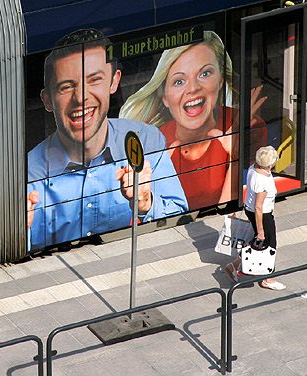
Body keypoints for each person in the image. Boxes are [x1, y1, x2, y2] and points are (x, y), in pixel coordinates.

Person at [27, 29, 188, 250]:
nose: (81, 97)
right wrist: (18, 234)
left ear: (114, 82)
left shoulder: (144, 140)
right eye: (66, 86)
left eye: (94, 80)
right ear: (47, 100)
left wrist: (145, 202)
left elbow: (180, 216)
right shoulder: (27, 173)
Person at [119, 31, 266, 210]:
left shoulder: (247, 124)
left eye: (204, 73)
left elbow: (230, 211)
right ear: (164, 97)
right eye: (179, 82)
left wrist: (235, 156)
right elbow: (149, 213)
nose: (193, 88)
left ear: (220, 80)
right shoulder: (152, 143)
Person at [226, 145, 285, 290]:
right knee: (270, 244)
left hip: (250, 209)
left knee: (257, 242)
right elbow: (259, 207)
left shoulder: (254, 168)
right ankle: (268, 279)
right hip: (262, 214)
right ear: (270, 164)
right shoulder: (263, 181)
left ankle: (233, 265)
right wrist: (260, 230)